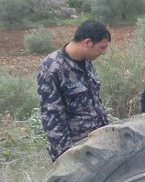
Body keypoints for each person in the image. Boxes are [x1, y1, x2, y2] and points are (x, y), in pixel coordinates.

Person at [37, 20, 111, 161]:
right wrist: (67, 157)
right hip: (77, 150)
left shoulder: (87, 61)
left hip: (99, 143)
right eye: (102, 48)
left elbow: (94, 102)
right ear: (87, 42)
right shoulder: (52, 67)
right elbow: (52, 116)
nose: (103, 53)